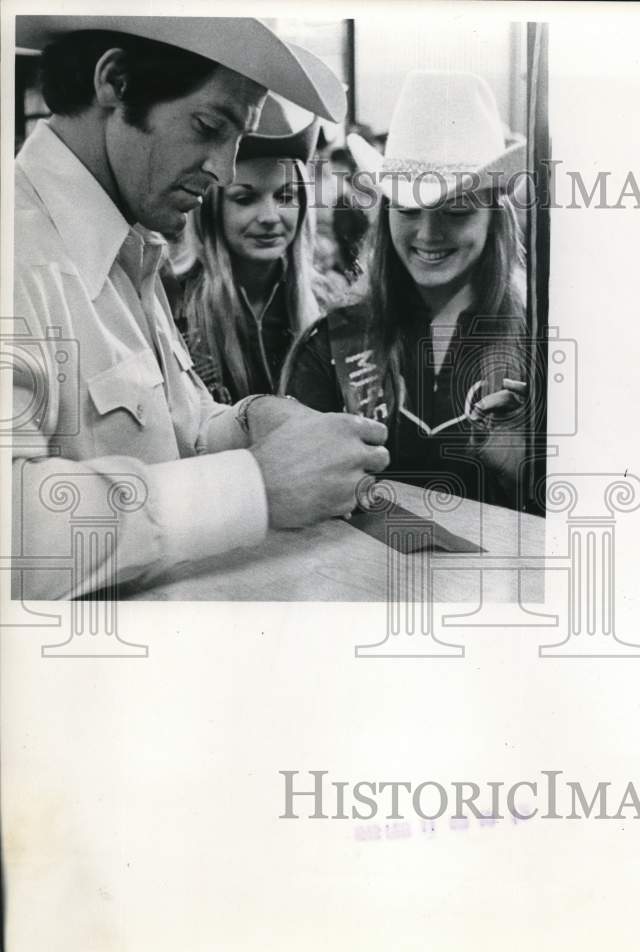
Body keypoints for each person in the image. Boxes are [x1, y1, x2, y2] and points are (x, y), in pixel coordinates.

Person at [12, 16, 389, 600]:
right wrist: (256, 483)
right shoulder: (17, 253)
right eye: (210, 125)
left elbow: (176, 432)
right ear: (115, 82)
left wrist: (248, 422)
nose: (224, 169)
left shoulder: (127, 247)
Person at [282, 71, 530, 510]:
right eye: (409, 208)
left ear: (495, 218)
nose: (429, 233)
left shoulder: (540, 347)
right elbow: (296, 509)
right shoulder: (326, 348)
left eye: (456, 211)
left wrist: (527, 469)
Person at [172, 99, 328, 402]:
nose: (270, 217)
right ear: (212, 209)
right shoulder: (172, 304)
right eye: (245, 199)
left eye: (285, 196)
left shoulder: (327, 301)